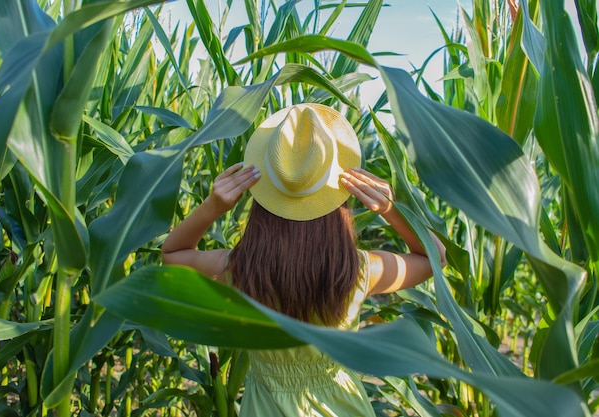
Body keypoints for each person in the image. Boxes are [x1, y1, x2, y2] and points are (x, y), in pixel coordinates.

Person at [161, 103, 446, 416]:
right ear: (340, 201)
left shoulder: (238, 269)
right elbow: (435, 257)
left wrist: (213, 206)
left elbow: (173, 253)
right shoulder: (358, 271)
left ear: (262, 200)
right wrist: (391, 209)